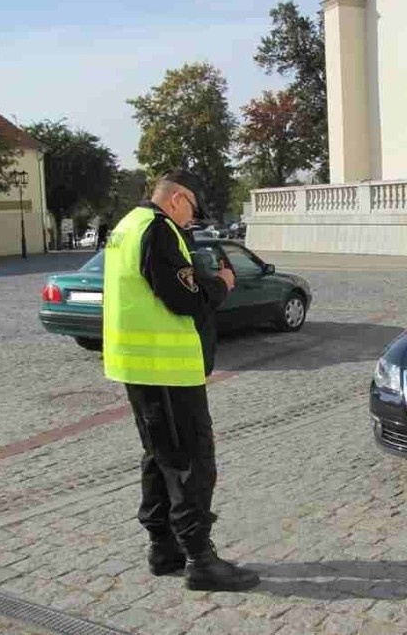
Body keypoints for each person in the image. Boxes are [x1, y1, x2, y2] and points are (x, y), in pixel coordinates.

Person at [102, 169, 260, 592]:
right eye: (192, 209)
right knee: (191, 463)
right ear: (176, 199)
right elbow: (183, 297)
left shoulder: (126, 225)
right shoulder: (159, 229)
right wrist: (221, 284)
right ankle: (200, 559)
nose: (192, 219)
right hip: (166, 369)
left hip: (138, 366)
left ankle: (163, 548)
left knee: (159, 459)